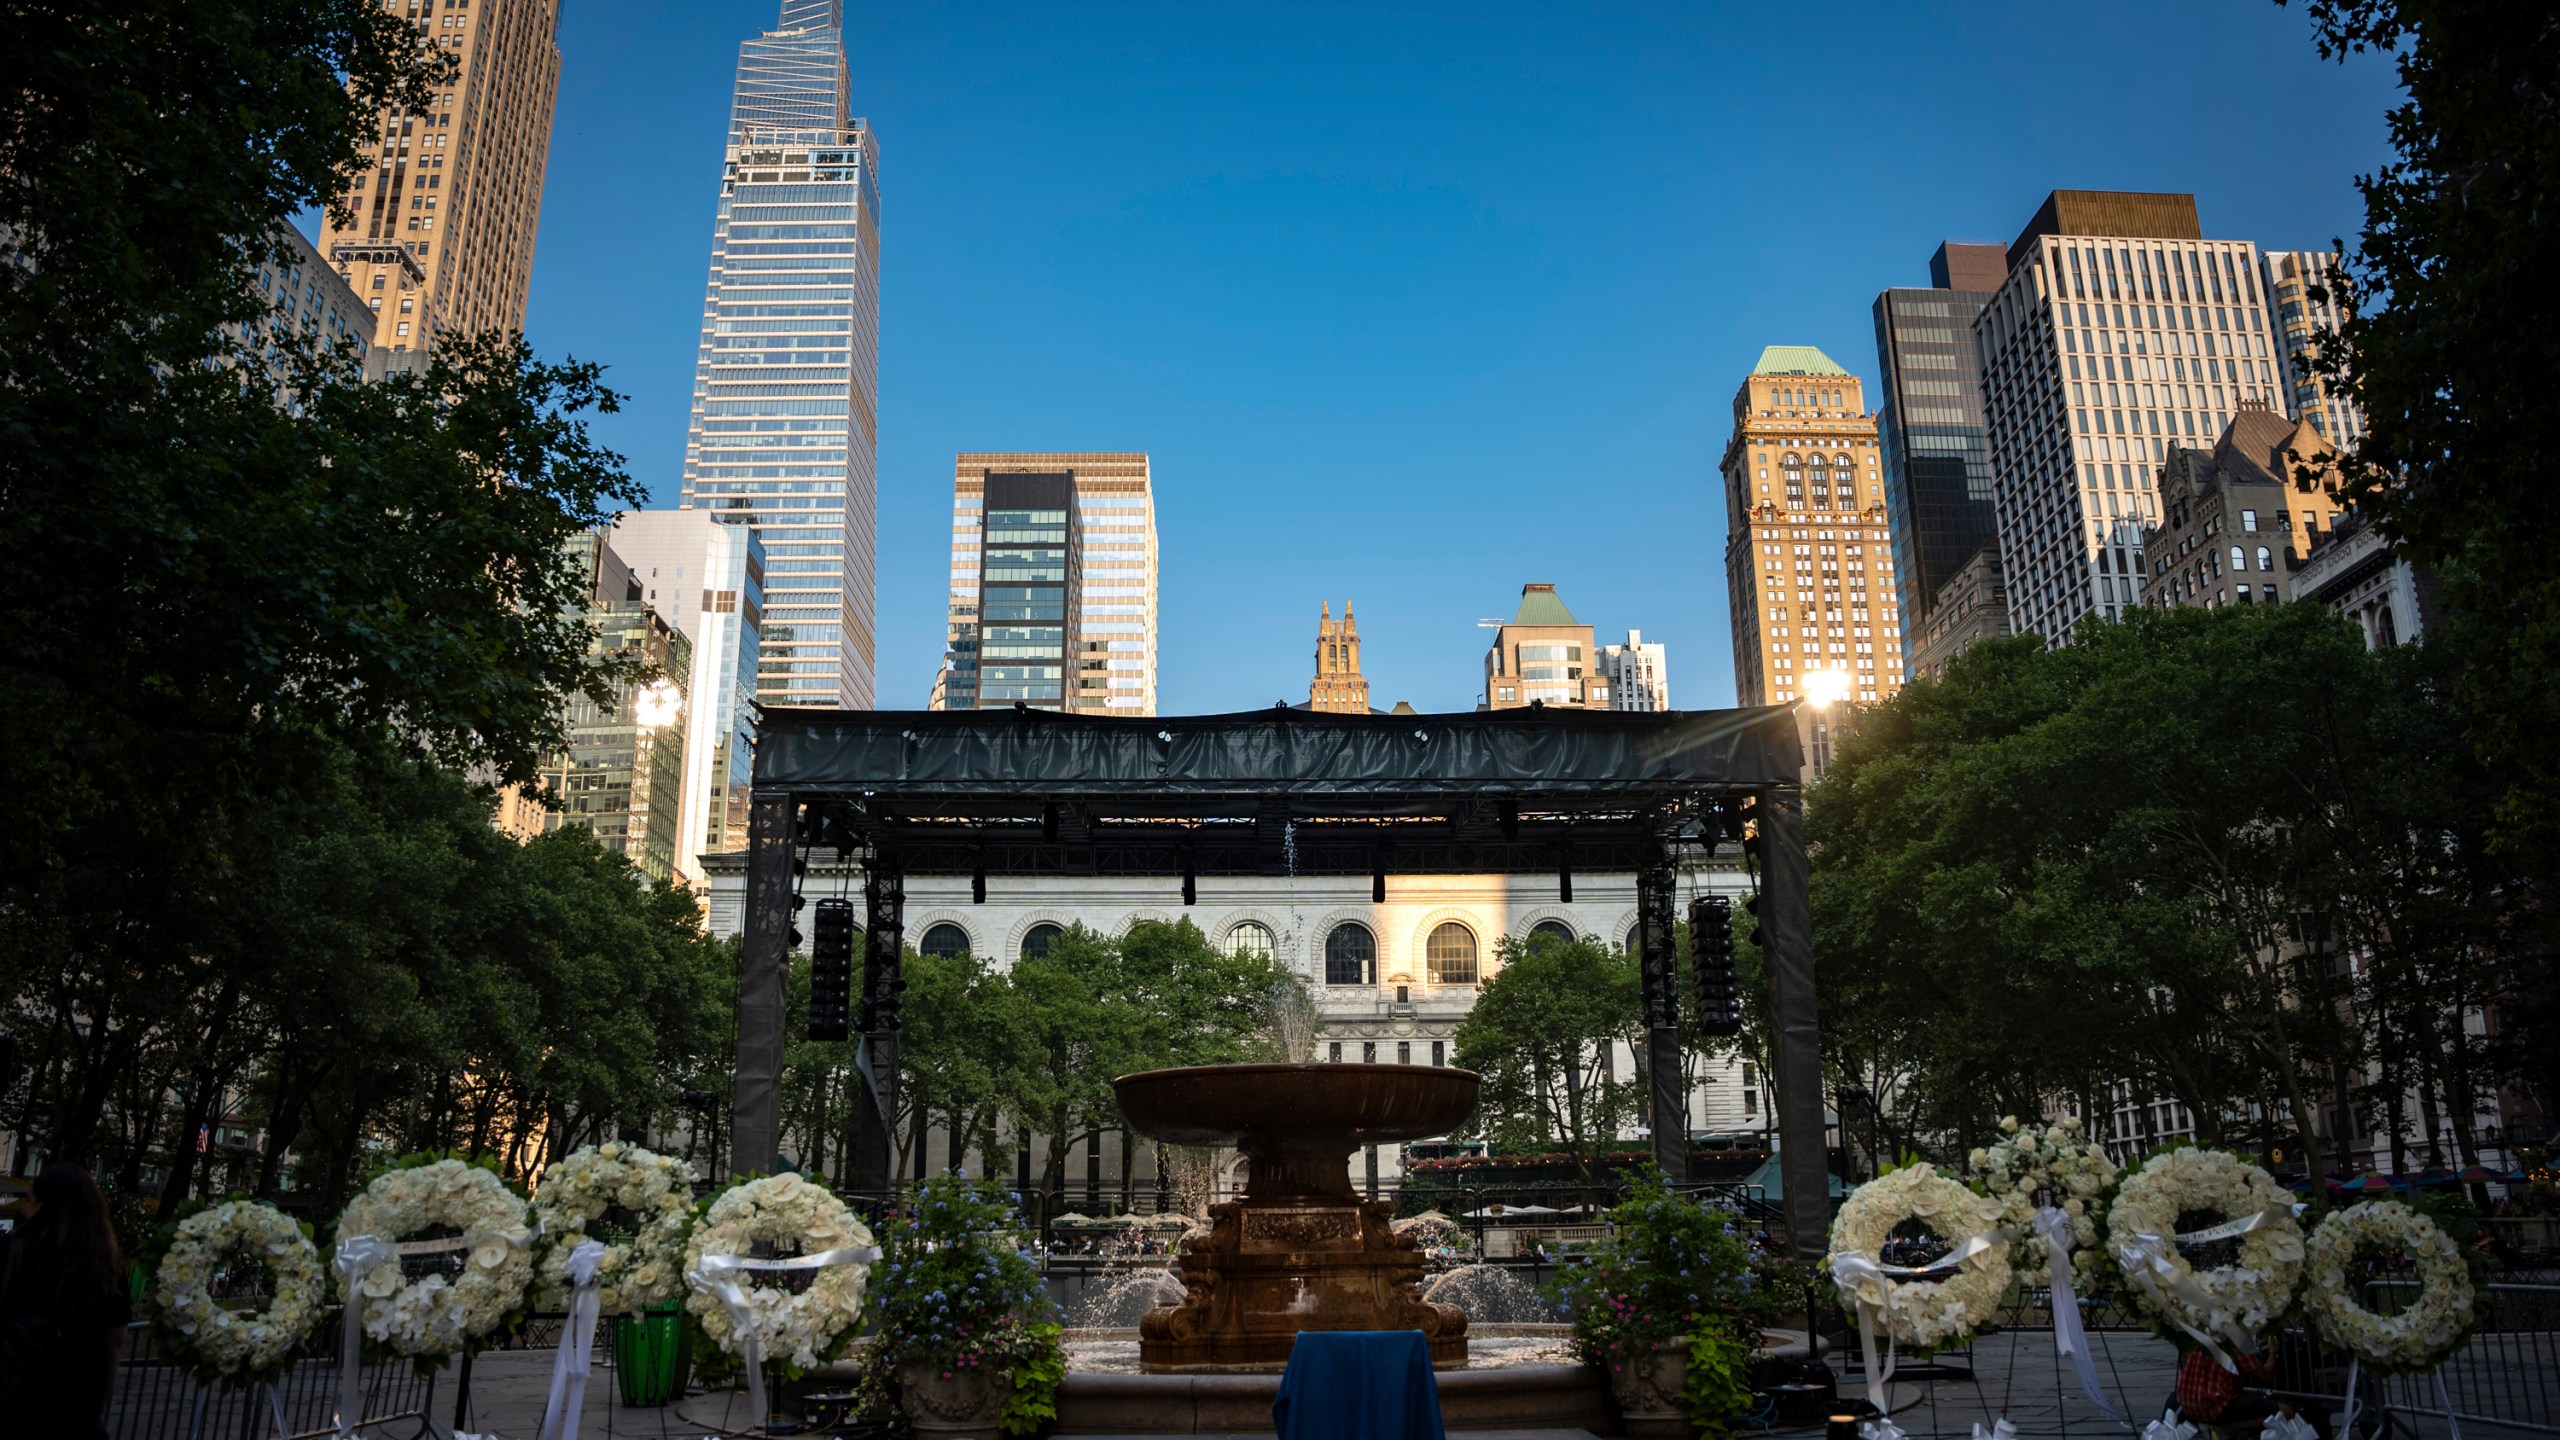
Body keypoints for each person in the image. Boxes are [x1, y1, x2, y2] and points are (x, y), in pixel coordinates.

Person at [0, 1164, 131, 1438]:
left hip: (14, 1404)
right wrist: (95, 1406)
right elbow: (113, 1344)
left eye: (31, 1201)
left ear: (43, 1206)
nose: (24, 1210)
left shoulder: (14, 1254)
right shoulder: (107, 1267)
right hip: (75, 1409)